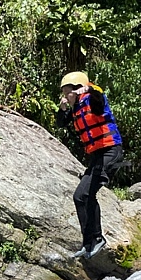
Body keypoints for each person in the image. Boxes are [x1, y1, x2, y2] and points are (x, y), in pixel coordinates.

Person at [55, 71, 125, 259]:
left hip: (110, 151)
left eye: (67, 92)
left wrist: (90, 89)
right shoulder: (75, 108)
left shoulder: (91, 101)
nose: (65, 97)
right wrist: (62, 110)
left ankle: (98, 238)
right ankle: (87, 244)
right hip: (96, 155)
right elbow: (60, 123)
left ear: (78, 91)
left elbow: (99, 98)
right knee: (80, 196)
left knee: (87, 193)